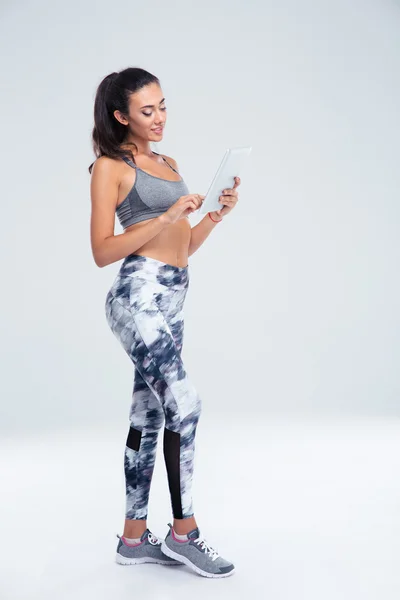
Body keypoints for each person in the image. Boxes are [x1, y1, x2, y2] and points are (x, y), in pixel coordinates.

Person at [89, 67, 240, 579]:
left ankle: (133, 539)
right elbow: (101, 251)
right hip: (137, 294)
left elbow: (182, 247)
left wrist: (213, 216)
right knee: (186, 404)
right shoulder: (111, 167)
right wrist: (168, 216)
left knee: (150, 415)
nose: (158, 118)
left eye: (162, 106)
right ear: (121, 116)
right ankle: (184, 532)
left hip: (174, 294)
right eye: (145, 111)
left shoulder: (169, 164)